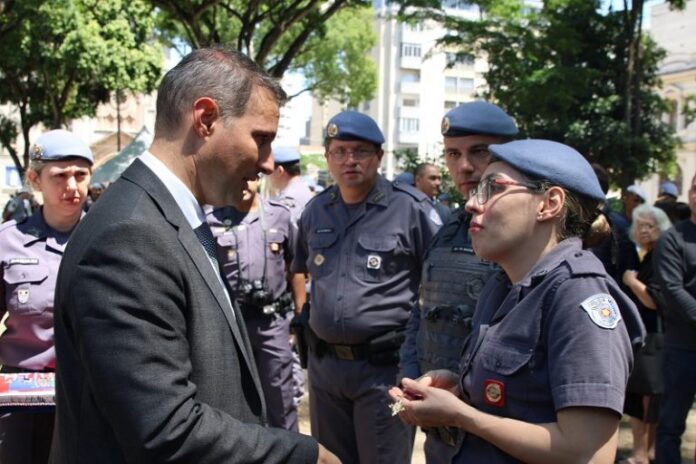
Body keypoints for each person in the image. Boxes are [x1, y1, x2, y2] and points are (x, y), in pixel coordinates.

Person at [52, 47, 339, 464]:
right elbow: (165, 429)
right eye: (261, 139)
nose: (268, 163)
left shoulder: (171, 218)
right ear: (205, 119)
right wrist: (304, 456)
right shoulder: (129, 235)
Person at [390, 139, 645, 464]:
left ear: (549, 204)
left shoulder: (578, 296)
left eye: (494, 189)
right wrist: (463, 389)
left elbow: (588, 454)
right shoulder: (504, 285)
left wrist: (462, 416)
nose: (471, 204)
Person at [292, 110, 440, 464]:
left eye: (360, 151)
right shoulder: (315, 211)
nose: (349, 160)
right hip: (326, 371)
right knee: (330, 460)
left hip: (384, 371)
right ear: (327, 157)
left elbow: (440, 281)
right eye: (339, 151)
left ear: (379, 157)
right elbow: (299, 269)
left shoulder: (411, 209)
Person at [398, 100, 518, 463]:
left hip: (497, 428)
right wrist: (410, 380)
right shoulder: (449, 226)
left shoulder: (524, 233)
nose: (464, 166)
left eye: (479, 152)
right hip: (444, 427)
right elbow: (422, 311)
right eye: (453, 154)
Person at [0, 129, 93, 464]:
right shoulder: (8, 242)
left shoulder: (111, 237)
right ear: (34, 179)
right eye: (60, 176)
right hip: (21, 400)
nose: (72, 186)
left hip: (88, 393)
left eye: (80, 175)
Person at [206, 178, 301, 431]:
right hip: (231, 325)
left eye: (252, 177)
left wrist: (301, 316)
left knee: (281, 398)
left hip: (273, 324)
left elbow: (296, 267)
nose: (245, 183)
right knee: (233, 400)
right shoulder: (210, 218)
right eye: (240, 175)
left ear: (260, 179)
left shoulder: (279, 215)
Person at [621, 205, 672, 464]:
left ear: (661, 228)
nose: (643, 230)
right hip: (646, 336)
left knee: (647, 398)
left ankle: (643, 453)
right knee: (640, 397)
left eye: (649, 225)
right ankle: (644, 452)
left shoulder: (661, 255)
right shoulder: (648, 255)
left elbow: (654, 300)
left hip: (656, 337)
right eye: (640, 224)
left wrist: (632, 281)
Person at [653, 173, 696, 464]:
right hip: (683, 347)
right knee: (670, 424)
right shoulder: (673, 238)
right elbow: (671, 288)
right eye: (695, 187)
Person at [267, 145, 313, 224]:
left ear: (279, 171)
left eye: (269, 171)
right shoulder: (302, 188)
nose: (267, 176)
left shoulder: (288, 199)